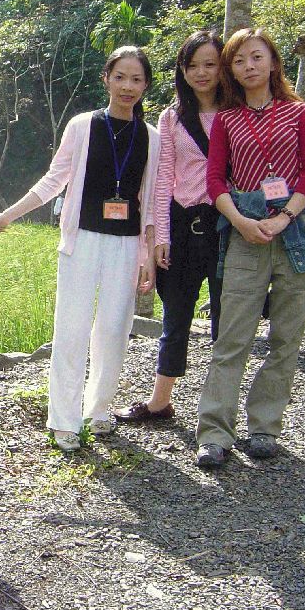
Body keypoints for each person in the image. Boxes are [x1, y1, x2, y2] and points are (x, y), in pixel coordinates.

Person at [0, 46, 159, 451]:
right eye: (120, 77)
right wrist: (8, 215)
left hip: (127, 244)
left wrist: (148, 255)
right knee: (72, 328)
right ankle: (63, 419)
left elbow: (152, 201)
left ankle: (99, 410)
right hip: (82, 241)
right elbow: (53, 180)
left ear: (146, 85)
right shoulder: (82, 126)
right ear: (106, 79)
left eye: (136, 79)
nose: (128, 86)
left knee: (115, 329)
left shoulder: (152, 137)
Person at [195, 28, 305, 468]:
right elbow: (214, 181)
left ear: (272, 62)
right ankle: (214, 433)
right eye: (239, 60)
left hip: (297, 233)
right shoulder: (226, 120)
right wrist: (242, 221)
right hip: (245, 233)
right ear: (231, 70)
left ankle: (265, 427)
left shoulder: (299, 112)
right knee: (232, 337)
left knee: (286, 337)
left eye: (256, 57)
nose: (249, 66)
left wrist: (284, 216)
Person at [115, 31, 225, 424]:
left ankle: (217, 414)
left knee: (225, 323)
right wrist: (160, 237)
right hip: (181, 224)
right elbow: (163, 181)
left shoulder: (238, 113)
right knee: (175, 318)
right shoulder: (172, 117)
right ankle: (160, 402)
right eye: (192, 65)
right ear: (181, 70)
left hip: (227, 225)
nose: (201, 73)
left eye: (210, 64)